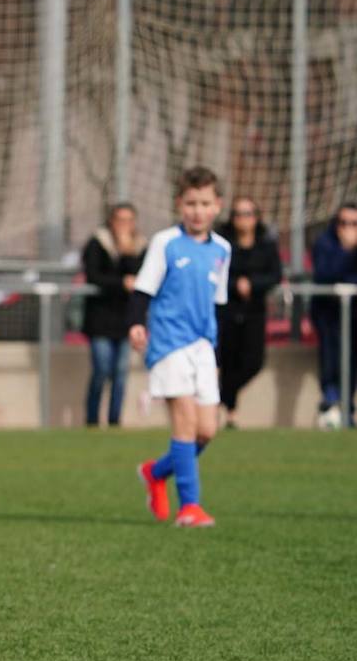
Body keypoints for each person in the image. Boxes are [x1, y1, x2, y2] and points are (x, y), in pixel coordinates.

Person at [132, 166, 230, 528]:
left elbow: (217, 303)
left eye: (205, 203)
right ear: (179, 204)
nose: (197, 211)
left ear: (217, 206)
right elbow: (143, 289)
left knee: (207, 430)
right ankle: (190, 508)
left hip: (203, 346)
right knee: (185, 423)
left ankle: (155, 472)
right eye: (191, 203)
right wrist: (136, 324)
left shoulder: (223, 250)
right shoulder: (165, 242)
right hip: (169, 342)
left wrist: (217, 354)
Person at [215, 196, 282, 428]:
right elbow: (215, 272)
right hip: (228, 310)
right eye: (238, 214)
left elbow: (275, 275)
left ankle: (220, 397)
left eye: (248, 214)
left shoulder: (266, 244)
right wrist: (235, 284)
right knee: (228, 360)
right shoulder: (222, 244)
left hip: (254, 310)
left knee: (253, 362)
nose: (243, 220)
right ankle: (231, 413)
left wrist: (252, 284)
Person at [81, 202, 146, 427]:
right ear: (111, 221)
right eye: (120, 220)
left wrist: (127, 252)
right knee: (102, 369)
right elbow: (93, 275)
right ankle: (91, 420)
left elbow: (141, 276)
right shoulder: (98, 243)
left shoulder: (140, 246)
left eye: (129, 220)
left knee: (120, 373)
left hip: (126, 320)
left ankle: (114, 420)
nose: (124, 225)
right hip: (100, 319)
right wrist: (121, 282)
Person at [310, 202, 357, 429]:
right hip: (328, 315)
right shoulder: (325, 243)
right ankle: (330, 405)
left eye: (354, 224)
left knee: (352, 364)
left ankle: (347, 410)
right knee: (330, 361)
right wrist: (346, 251)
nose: (347, 228)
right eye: (343, 223)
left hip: (354, 315)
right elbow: (325, 274)